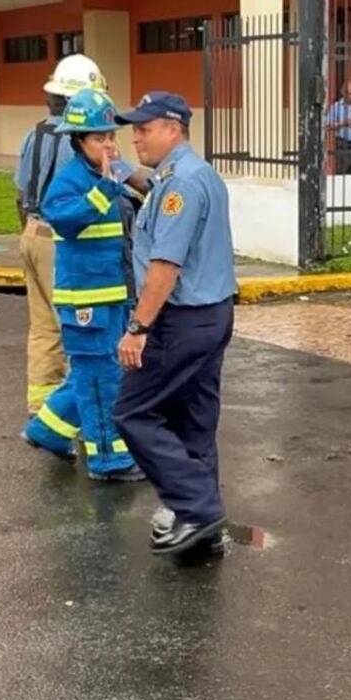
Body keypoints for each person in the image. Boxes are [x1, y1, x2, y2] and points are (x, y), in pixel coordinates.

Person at [112, 92, 237, 558]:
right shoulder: (185, 174)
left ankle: (199, 508)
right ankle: (203, 534)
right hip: (212, 314)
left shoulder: (181, 185)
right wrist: (124, 170)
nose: (135, 136)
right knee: (195, 421)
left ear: (172, 127)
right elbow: (154, 187)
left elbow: (166, 264)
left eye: (143, 128)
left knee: (133, 411)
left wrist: (138, 328)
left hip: (181, 321)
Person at [22, 88, 145, 483]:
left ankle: (46, 431)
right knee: (101, 382)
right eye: (99, 138)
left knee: (91, 374)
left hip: (112, 299)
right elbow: (66, 219)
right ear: (78, 142)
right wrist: (104, 191)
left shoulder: (106, 175)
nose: (109, 144)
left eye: (111, 136)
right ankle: (108, 461)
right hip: (85, 305)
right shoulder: (71, 181)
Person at [14, 55, 108, 414]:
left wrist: (27, 233)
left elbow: (21, 194)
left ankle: (41, 404)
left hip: (31, 234)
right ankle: (76, 409)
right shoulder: (79, 143)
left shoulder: (33, 135)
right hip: (61, 241)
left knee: (42, 328)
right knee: (75, 325)